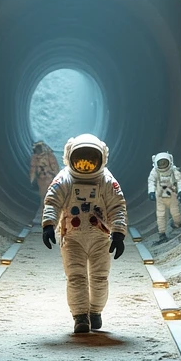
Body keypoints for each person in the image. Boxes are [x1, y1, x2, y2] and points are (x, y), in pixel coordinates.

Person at [42, 133, 127, 334]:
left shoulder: (106, 180)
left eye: (91, 160)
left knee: (99, 277)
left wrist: (118, 232)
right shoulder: (64, 178)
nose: (85, 165)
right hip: (72, 237)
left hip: (100, 237)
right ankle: (80, 316)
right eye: (81, 160)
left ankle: (95, 311)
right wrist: (48, 224)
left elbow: (117, 207)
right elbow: (52, 202)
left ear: (102, 159)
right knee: (76, 277)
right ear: (70, 157)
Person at [148, 151, 181, 244]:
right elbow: (151, 181)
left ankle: (177, 224)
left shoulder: (173, 171)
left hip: (172, 196)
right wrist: (151, 192)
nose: (163, 165)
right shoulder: (155, 172)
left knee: (175, 213)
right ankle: (162, 234)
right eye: (160, 163)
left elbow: (180, 181)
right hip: (160, 198)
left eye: (164, 162)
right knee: (160, 216)